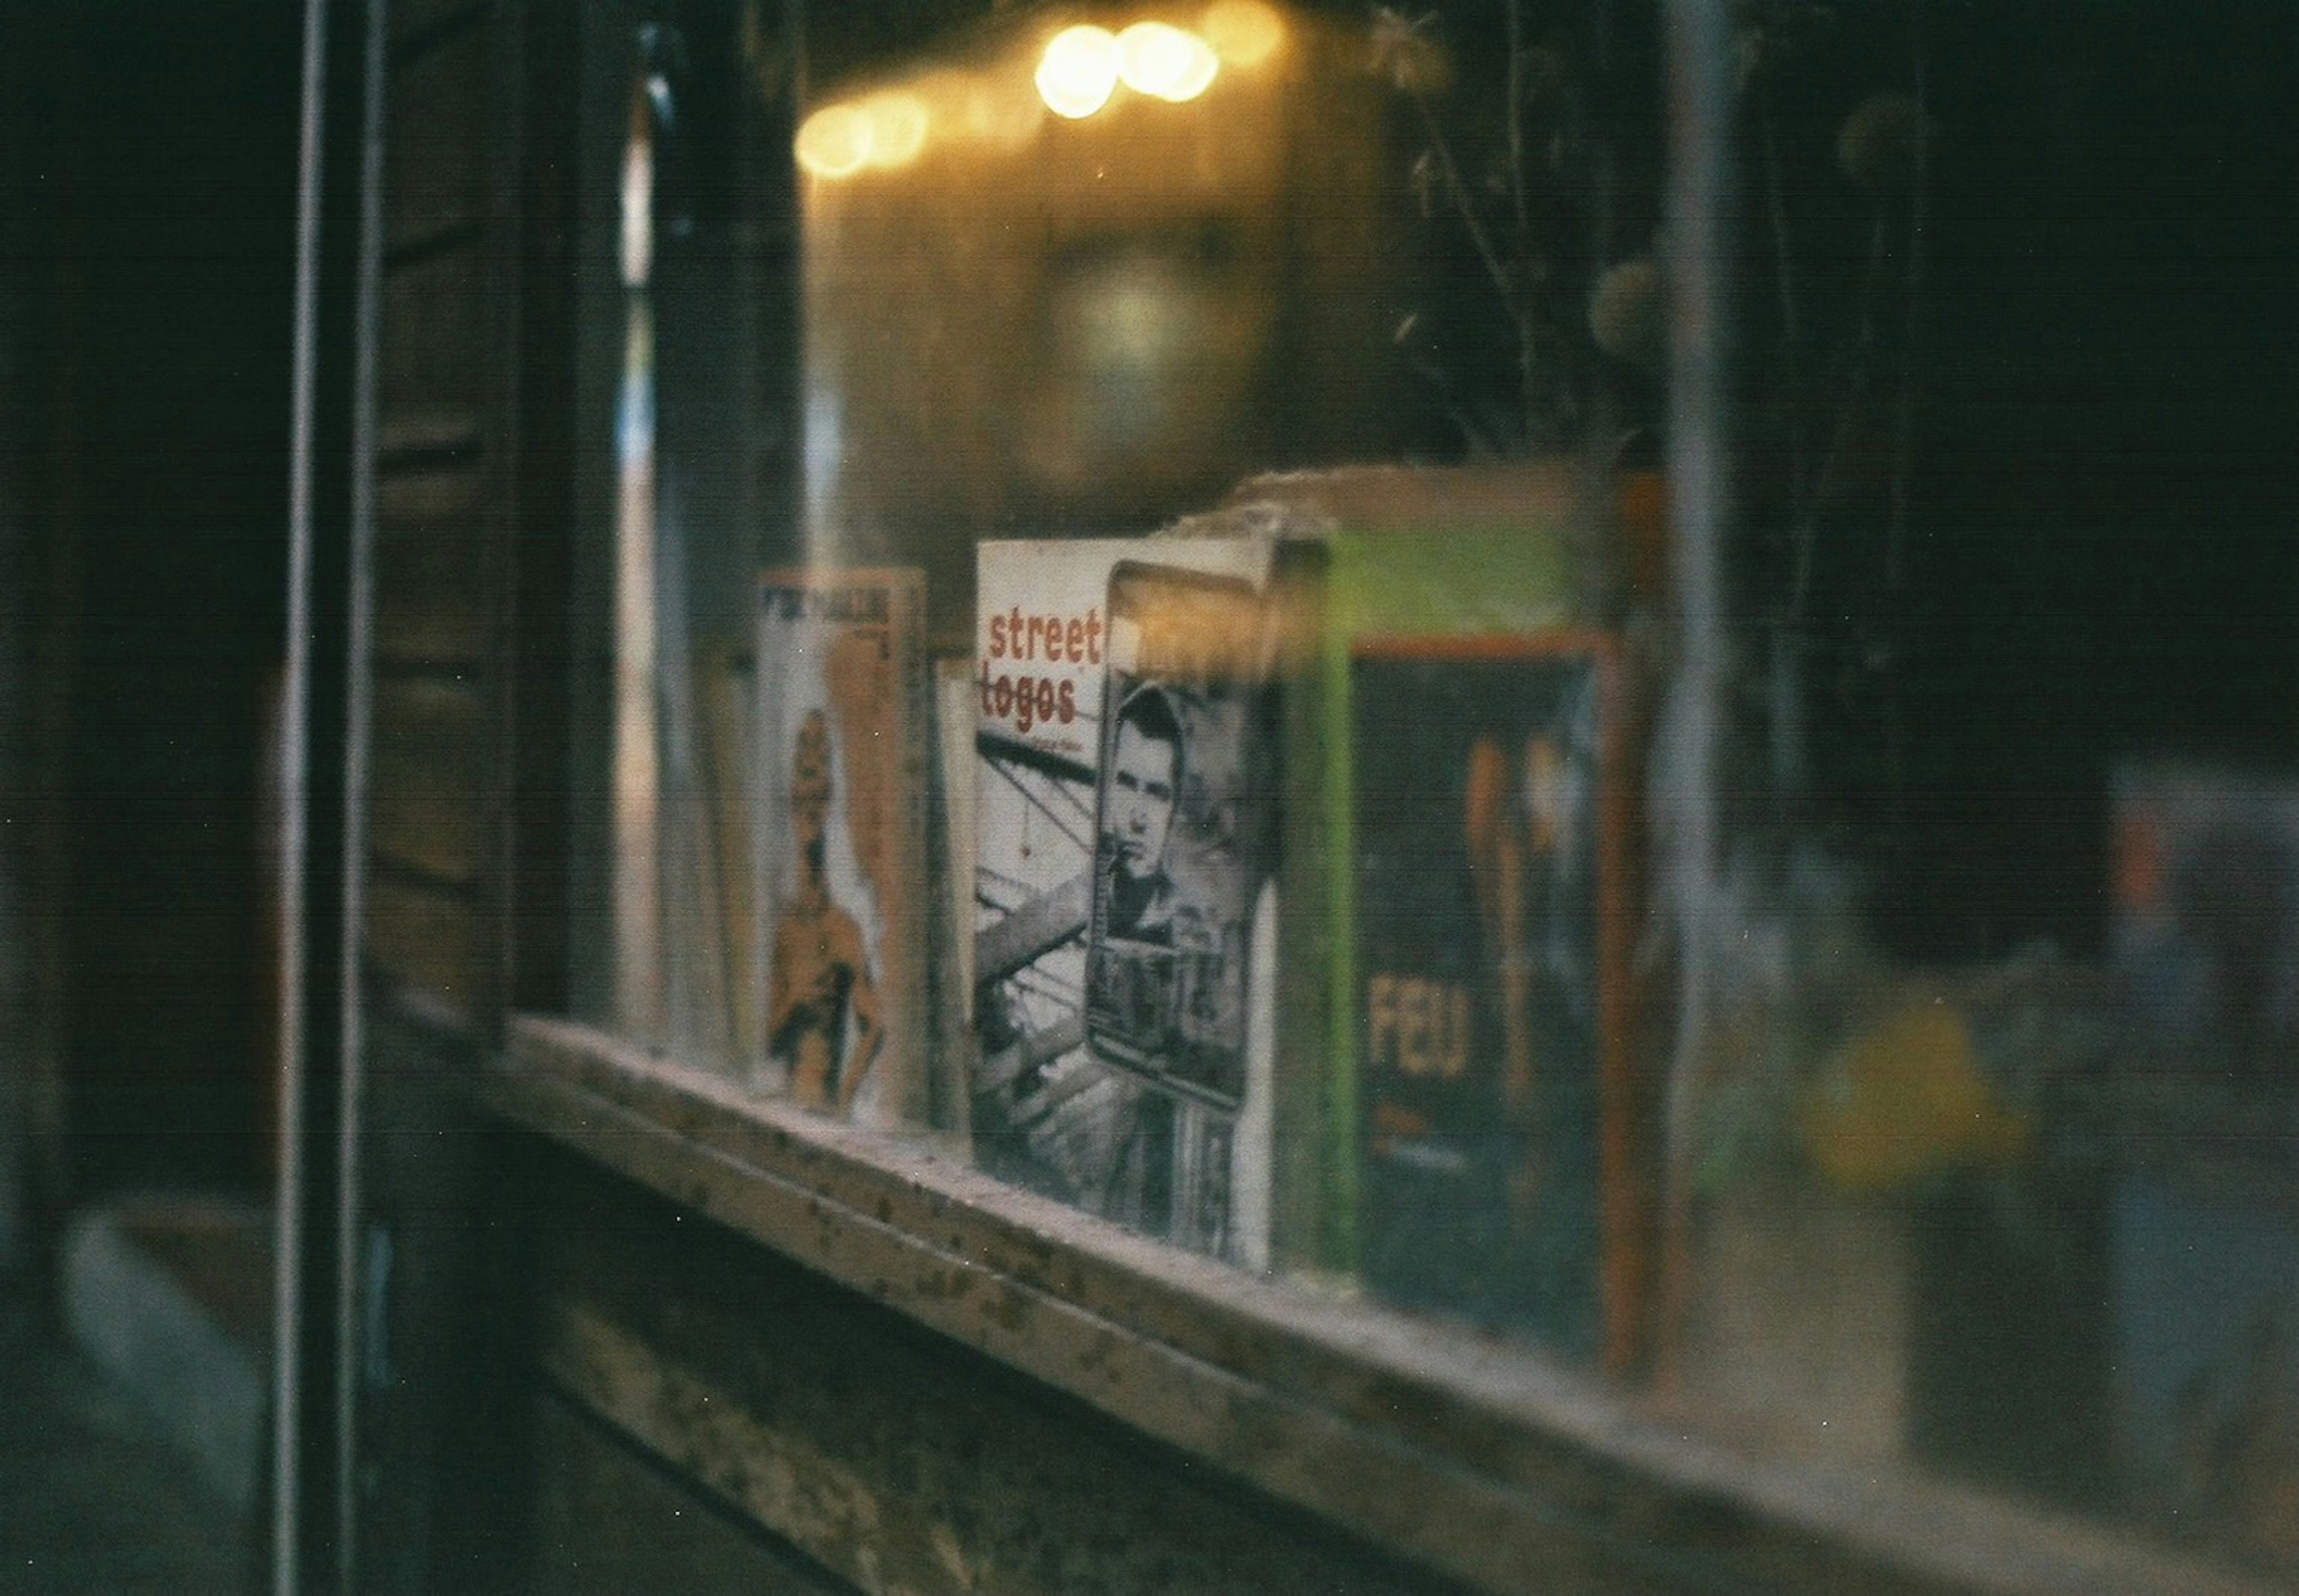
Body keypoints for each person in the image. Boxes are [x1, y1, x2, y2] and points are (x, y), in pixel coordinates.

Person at [766, 710, 884, 1116]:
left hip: (824, 1109)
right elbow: (768, 1043)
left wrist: (845, 1098)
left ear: (830, 799)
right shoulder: (787, 931)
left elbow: (875, 1023)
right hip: (789, 1104)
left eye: (819, 796)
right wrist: (795, 1002)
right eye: (803, 797)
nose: (810, 814)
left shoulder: (843, 930)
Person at [1101, 684, 1184, 944]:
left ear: (1173, 811)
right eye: (1126, 784)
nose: (1137, 819)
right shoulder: (1077, 906)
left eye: (1157, 794)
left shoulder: (1182, 927)